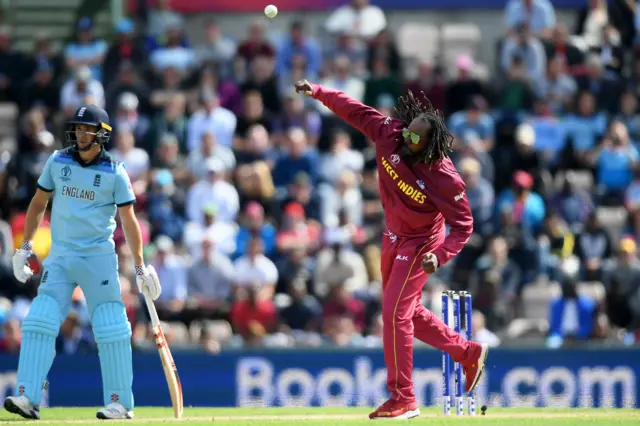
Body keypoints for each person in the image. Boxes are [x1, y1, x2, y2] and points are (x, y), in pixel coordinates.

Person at [295, 79, 488, 419]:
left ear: (432, 145)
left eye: (415, 138)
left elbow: (463, 227)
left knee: (393, 314)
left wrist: (440, 255)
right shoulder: (390, 133)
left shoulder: (445, 176)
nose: (406, 139)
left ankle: (404, 398)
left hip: (420, 243)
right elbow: (354, 111)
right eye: (408, 132)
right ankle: (467, 353)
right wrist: (320, 92)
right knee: (407, 312)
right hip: (394, 236)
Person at [5, 105, 162, 420]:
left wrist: (141, 266)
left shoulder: (115, 171)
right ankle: (27, 397)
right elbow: (38, 202)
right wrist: (24, 247)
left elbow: (129, 221)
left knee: (111, 326)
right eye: (77, 128)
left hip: (98, 258)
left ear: (101, 134)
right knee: (38, 321)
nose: (80, 133)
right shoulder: (58, 160)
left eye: (87, 129)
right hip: (61, 256)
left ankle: (119, 402)